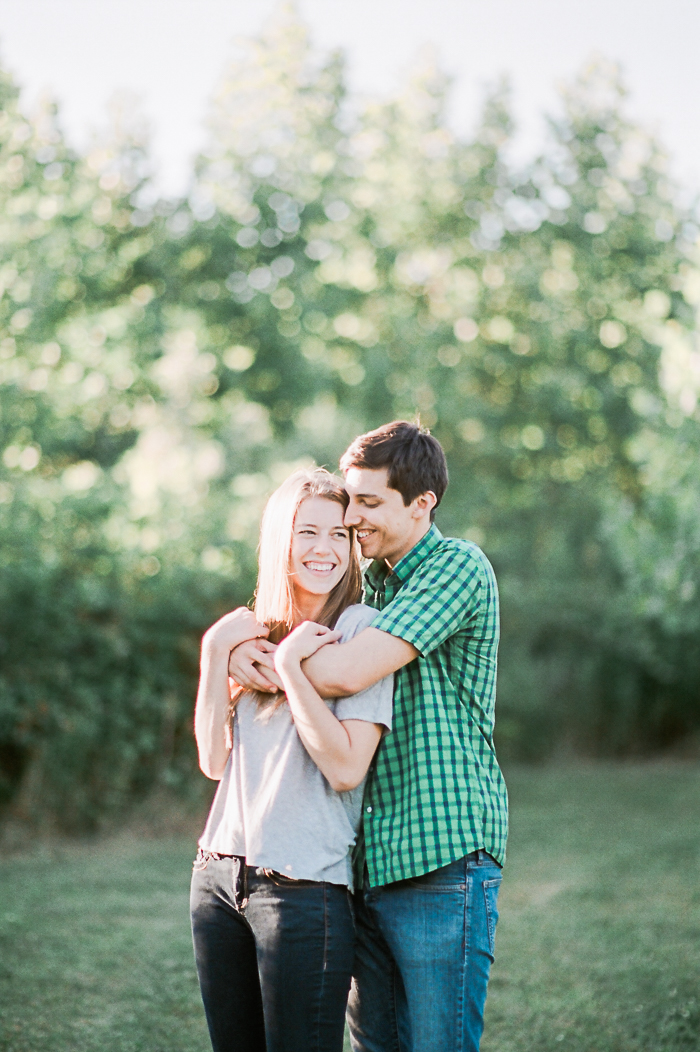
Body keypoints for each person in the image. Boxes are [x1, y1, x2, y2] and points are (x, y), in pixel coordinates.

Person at [229, 421, 508, 1052]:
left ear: (422, 503)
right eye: (350, 499)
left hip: (443, 853)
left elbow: (347, 669)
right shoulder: (373, 582)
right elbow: (302, 628)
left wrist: (253, 661)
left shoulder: (456, 567)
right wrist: (241, 651)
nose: (352, 517)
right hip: (367, 861)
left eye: (369, 502)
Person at [190, 468, 393, 1052]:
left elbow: (347, 769)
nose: (324, 550)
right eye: (308, 533)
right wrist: (213, 653)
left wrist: (290, 672)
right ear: (282, 538)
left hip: (304, 892)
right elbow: (212, 760)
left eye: (338, 535)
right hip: (218, 879)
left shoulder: (358, 630)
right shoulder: (249, 633)